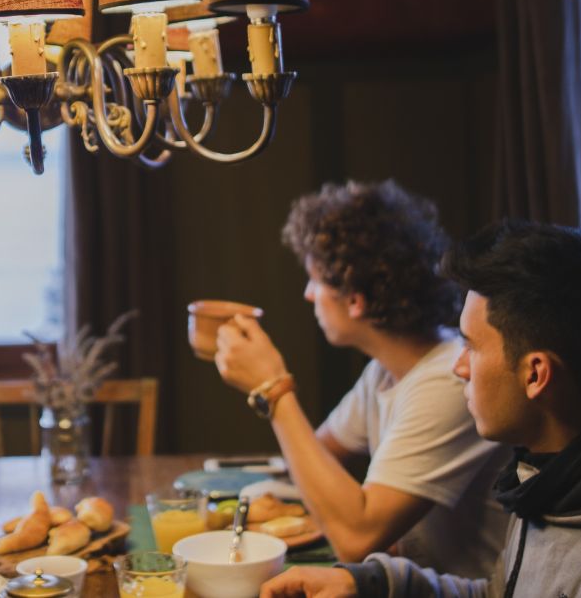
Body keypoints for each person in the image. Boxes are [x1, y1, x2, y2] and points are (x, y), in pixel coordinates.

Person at [261, 220, 581, 598]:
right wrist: (369, 583)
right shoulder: (553, 472)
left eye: (471, 345)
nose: (458, 367)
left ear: (536, 374)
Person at [216, 181, 510, 578]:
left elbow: (356, 539)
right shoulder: (385, 371)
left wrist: (273, 389)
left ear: (356, 298)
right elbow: (317, 459)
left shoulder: (448, 380)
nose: (307, 294)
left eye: (316, 280)